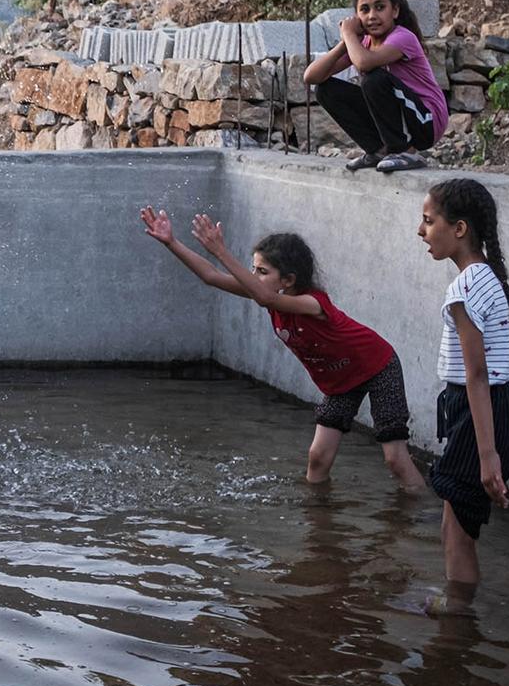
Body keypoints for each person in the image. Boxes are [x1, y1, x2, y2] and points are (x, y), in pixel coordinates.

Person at [140, 206, 425, 493]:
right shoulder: (270, 295)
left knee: (394, 459)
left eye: (261, 271)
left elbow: (263, 297)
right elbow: (212, 277)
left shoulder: (311, 303)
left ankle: (421, 515)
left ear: (288, 280)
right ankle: (319, 522)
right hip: (342, 382)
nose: (253, 276)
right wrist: (171, 242)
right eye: (253, 269)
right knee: (317, 459)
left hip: (377, 367)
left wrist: (220, 250)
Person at [416, 178, 509, 606]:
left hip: (480, 412)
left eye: (428, 221)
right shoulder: (483, 277)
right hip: (485, 409)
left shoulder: (464, 288)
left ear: (458, 228)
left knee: (458, 535)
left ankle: (457, 626)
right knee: (453, 526)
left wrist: (487, 454)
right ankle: (456, 611)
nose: (420, 231)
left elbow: (477, 376)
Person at [303, 0, 448, 174]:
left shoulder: (403, 37)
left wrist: (349, 35)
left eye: (380, 7)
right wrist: (345, 41)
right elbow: (311, 77)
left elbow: (364, 63)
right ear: (357, 17)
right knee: (325, 90)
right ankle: (379, 150)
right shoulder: (362, 45)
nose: (372, 15)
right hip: (405, 116)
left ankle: (403, 151)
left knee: (374, 79)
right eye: (364, 10)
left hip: (427, 121)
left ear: (394, 11)